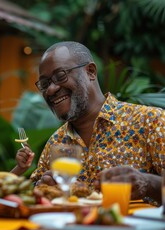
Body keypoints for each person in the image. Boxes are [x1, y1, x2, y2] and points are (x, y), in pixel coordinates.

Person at [28, 41, 164, 204]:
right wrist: (42, 188)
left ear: (90, 72)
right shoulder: (55, 143)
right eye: (45, 84)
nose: (51, 89)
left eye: (60, 76)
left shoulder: (150, 121)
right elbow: (32, 196)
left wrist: (148, 183)